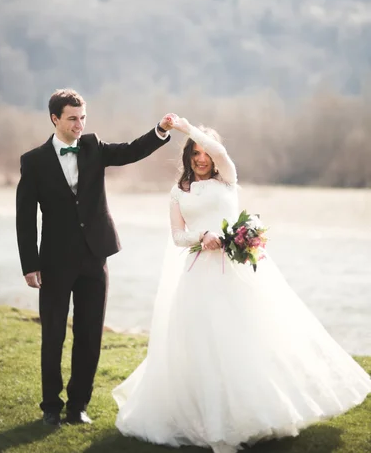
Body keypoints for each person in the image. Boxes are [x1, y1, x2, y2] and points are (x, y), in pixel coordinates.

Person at [113, 117, 371, 453]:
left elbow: (220, 151)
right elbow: (177, 236)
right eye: (195, 153)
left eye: (206, 152)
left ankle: (257, 411)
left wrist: (189, 129)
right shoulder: (178, 193)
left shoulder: (229, 180)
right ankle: (209, 421)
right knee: (203, 344)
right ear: (188, 157)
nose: (202, 158)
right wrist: (200, 236)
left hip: (236, 271)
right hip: (198, 275)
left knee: (247, 337)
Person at [16, 88, 175, 427]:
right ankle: (50, 408)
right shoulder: (33, 161)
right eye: (72, 118)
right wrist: (30, 265)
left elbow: (131, 151)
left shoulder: (93, 147)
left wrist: (160, 131)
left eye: (83, 117)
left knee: (90, 335)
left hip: (95, 258)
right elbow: (25, 216)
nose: (79, 124)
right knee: (53, 336)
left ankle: (78, 407)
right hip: (54, 262)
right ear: (55, 118)